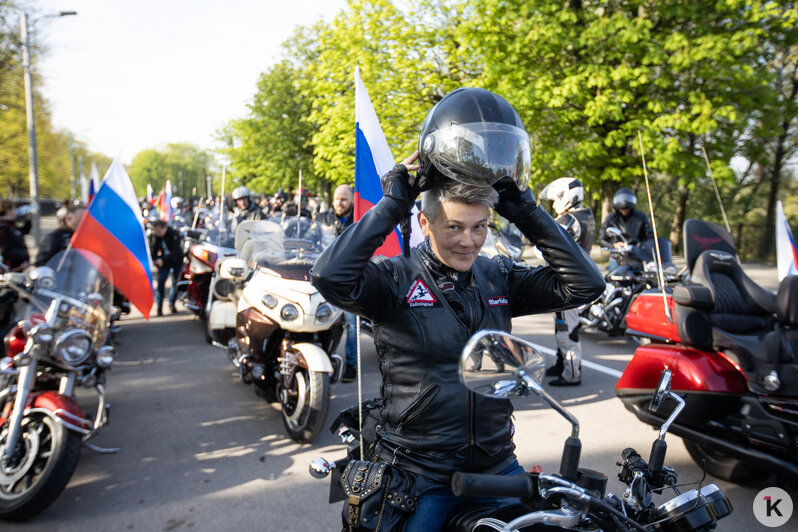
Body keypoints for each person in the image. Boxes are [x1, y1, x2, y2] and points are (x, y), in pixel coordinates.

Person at [311, 87, 604, 531]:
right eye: (455, 227)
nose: (469, 240)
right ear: (425, 222)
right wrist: (393, 204)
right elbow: (329, 276)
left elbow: (586, 284)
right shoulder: (394, 279)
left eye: (480, 227)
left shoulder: (498, 276)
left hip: (497, 462)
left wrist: (525, 210)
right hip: (419, 472)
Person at [540, 177, 596, 386]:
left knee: (566, 330)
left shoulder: (569, 220)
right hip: (578, 279)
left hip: (568, 283)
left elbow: (547, 247)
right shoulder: (586, 216)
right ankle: (561, 363)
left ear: (565, 196)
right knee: (562, 325)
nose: (554, 204)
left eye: (556, 198)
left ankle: (572, 374)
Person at [318, 184, 358, 381]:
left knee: (352, 323)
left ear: (351, 200)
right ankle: (323, 361)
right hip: (324, 278)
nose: (339, 203)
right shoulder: (322, 218)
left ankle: (351, 365)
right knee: (321, 319)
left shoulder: (359, 218)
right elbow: (310, 241)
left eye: (343, 199)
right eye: (336, 198)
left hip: (348, 279)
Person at [597, 187, 654, 271]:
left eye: (627, 209)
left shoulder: (641, 217)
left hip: (637, 255)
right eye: (622, 209)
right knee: (614, 279)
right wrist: (614, 245)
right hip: (617, 256)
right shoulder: (611, 219)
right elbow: (601, 239)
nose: (624, 211)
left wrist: (640, 243)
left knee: (641, 280)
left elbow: (650, 236)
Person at [150, 220, 183, 316]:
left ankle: (172, 304)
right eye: (156, 231)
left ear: (165, 228)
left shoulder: (174, 234)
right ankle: (159, 307)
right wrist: (156, 260)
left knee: (175, 282)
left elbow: (176, 251)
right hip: (163, 262)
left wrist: (163, 260)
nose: (158, 233)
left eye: (159, 231)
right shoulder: (156, 237)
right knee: (161, 281)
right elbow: (153, 250)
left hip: (175, 261)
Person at [35, 202, 85, 266]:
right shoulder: (54, 237)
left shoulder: (86, 237)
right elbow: (41, 262)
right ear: (69, 219)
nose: (83, 225)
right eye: (80, 221)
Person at [0, 200, 29, 270]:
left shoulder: (11, 225)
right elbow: (5, 249)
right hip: (10, 267)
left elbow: (22, 232)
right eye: (14, 208)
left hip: (19, 265)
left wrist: (28, 219)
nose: (16, 210)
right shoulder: (3, 227)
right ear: (8, 210)